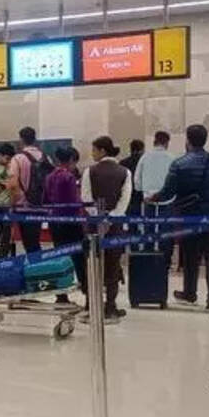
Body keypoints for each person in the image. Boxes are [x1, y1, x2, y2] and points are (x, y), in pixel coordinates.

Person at [151, 125, 209, 314]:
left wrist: (153, 198)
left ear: (187, 140)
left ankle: (190, 293)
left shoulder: (179, 164)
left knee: (190, 255)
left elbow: (168, 192)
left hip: (189, 216)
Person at [82, 136, 133, 318]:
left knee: (92, 265)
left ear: (102, 151)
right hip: (116, 226)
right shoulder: (125, 172)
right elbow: (125, 200)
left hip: (93, 226)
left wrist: (99, 218)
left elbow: (86, 198)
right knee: (113, 266)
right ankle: (111, 306)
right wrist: (111, 218)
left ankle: (91, 305)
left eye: (94, 150)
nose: (92, 153)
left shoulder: (89, 171)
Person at [43, 147, 86, 308]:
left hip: (55, 222)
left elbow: (45, 200)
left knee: (59, 258)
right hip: (71, 223)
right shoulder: (69, 177)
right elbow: (74, 202)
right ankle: (88, 296)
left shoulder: (49, 177)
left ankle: (61, 296)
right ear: (72, 160)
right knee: (79, 259)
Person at [5, 126, 50, 253]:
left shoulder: (18, 158)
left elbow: (13, 185)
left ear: (21, 139)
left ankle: (37, 265)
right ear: (34, 139)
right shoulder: (45, 157)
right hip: (41, 205)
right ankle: (38, 263)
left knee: (29, 244)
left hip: (24, 207)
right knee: (34, 241)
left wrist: (12, 203)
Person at [134, 131, 174, 205]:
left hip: (148, 199)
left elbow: (137, 180)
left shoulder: (144, 157)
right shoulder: (172, 158)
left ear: (154, 142)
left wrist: (142, 191)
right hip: (167, 201)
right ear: (167, 143)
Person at [121, 139, 146, 214]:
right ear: (142, 150)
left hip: (127, 194)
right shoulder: (144, 163)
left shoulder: (123, 162)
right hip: (141, 194)